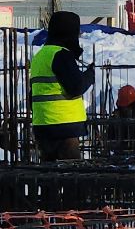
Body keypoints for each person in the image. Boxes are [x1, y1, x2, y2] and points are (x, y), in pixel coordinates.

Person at [29, 10, 95, 162]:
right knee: (70, 171)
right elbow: (76, 87)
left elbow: (33, 94)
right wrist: (89, 75)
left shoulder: (40, 56)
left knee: (49, 172)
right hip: (64, 127)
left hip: (43, 126)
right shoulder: (61, 54)